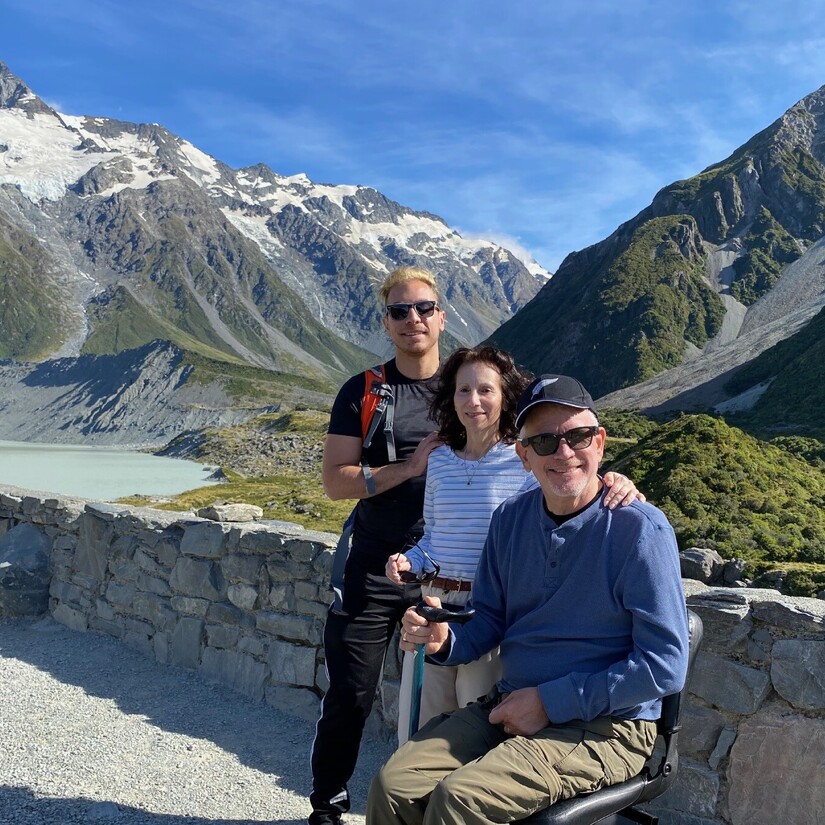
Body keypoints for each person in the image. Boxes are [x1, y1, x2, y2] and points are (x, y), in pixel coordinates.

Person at [367, 373, 690, 825]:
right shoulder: (510, 521)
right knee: (394, 784)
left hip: (605, 726)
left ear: (599, 442)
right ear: (523, 456)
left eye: (577, 436)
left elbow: (665, 664)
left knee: (462, 800)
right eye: (543, 442)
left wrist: (550, 703)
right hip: (511, 704)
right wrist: (445, 642)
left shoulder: (640, 530)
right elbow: (489, 620)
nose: (563, 453)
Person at [385, 347, 642, 743]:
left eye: (485, 389)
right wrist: (410, 561)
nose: (473, 401)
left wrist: (615, 481)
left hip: (489, 617)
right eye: (463, 390)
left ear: (505, 396)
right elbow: (434, 537)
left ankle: (461, 804)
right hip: (434, 608)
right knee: (420, 730)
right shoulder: (438, 461)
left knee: (478, 736)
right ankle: (413, 801)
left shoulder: (528, 455)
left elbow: (568, 489)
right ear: (449, 398)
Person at [309, 266, 446, 825]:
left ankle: (421, 808)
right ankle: (328, 806)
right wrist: (407, 468)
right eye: (399, 310)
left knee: (440, 705)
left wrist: (609, 481)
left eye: (423, 308)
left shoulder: (473, 386)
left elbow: (532, 452)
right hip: (369, 565)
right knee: (351, 694)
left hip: (443, 572)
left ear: (441, 315)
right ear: (386, 321)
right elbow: (336, 480)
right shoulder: (364, 390)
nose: (412, 318)